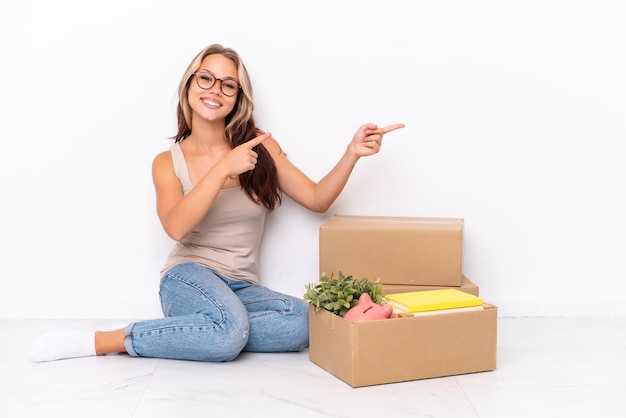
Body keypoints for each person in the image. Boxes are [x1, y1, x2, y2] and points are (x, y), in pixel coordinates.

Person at [29, 44, 405, 362]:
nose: (215, 90)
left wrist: (352, 153)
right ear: (190, 85)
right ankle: (107, 340)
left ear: (238, 98)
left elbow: (317, 198)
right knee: (230, 331)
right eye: (206, 78)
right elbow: (176, 226)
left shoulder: (260, 146)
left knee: (302, 321)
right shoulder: (167, 162)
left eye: (229, 85)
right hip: (187, 278)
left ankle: (214, 331)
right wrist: (223, 167)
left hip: (241, 287)